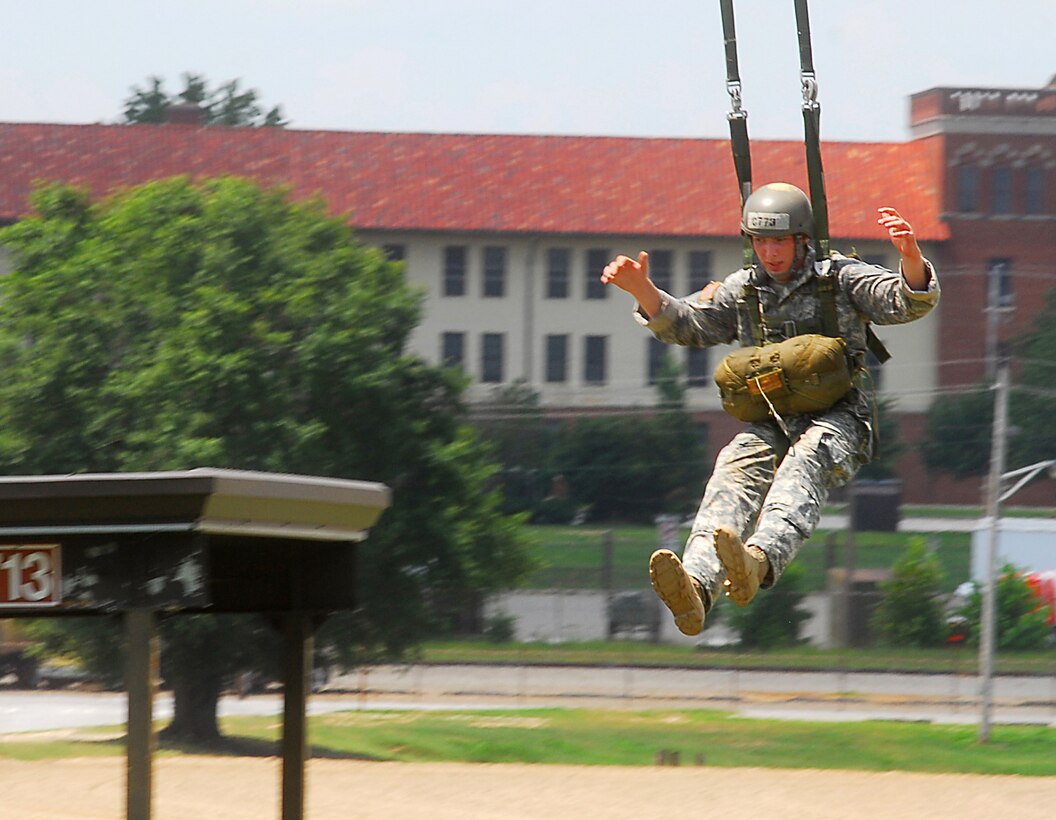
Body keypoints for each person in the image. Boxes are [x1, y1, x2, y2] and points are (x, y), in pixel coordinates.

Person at [600, 182, 940, 635]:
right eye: (760, 241)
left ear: (802, 240)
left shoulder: (839, 277)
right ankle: (697, 588)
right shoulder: (745, 290)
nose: (770, 252)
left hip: (840, 420)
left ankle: (758, 561)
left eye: (778, 240)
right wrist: (644, 291)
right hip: (773, 420)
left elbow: (906, 301)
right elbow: (691, 325)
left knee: (806, 459)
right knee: (732, 467)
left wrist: (911, 259)